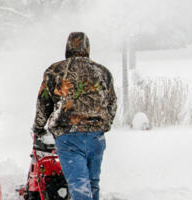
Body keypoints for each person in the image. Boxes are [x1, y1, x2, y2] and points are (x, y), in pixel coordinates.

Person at [32, 32, 117, 200]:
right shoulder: (102, 71)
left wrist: (38, 127)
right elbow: (112, 103)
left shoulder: (55, 70)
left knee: (79, 186)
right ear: (87, 48)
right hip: (96, 138)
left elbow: (44, 102)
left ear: (68, 47)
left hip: (68, 137)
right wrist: (102, 124)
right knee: (92, 184)